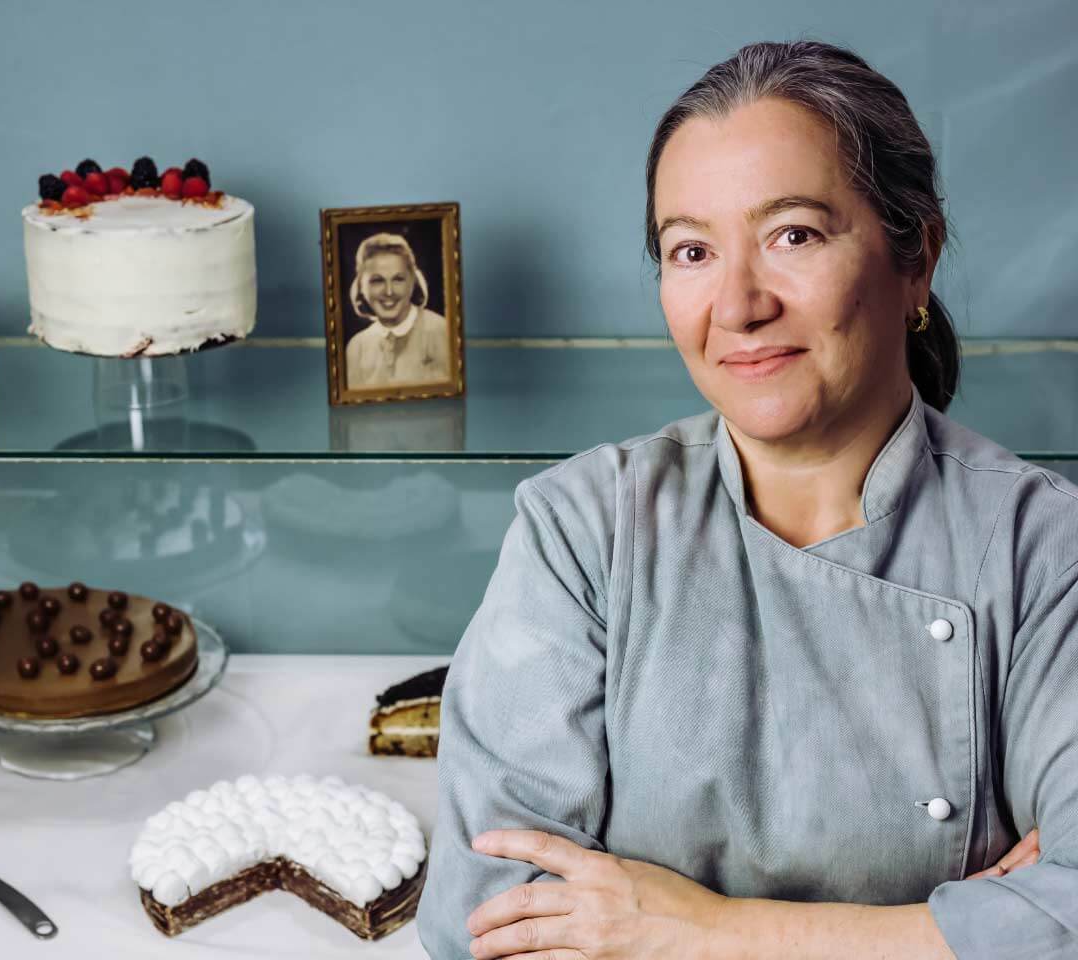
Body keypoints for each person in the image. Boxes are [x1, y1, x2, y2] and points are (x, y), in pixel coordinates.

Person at [417, 40, 1077, 960]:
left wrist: (698, 931)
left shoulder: (1042, 547)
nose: (737, 304)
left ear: (914, 256)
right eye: (691, 250)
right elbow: (486, 918)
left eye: (793, 235)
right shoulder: (583, 530)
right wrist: (947, 934)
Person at [345, 232, 451, 390]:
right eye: (377, 280)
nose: (389, 291)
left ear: (412, 282)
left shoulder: (441, 332)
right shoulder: (357, 347)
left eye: (398, 279)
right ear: (361, 286)